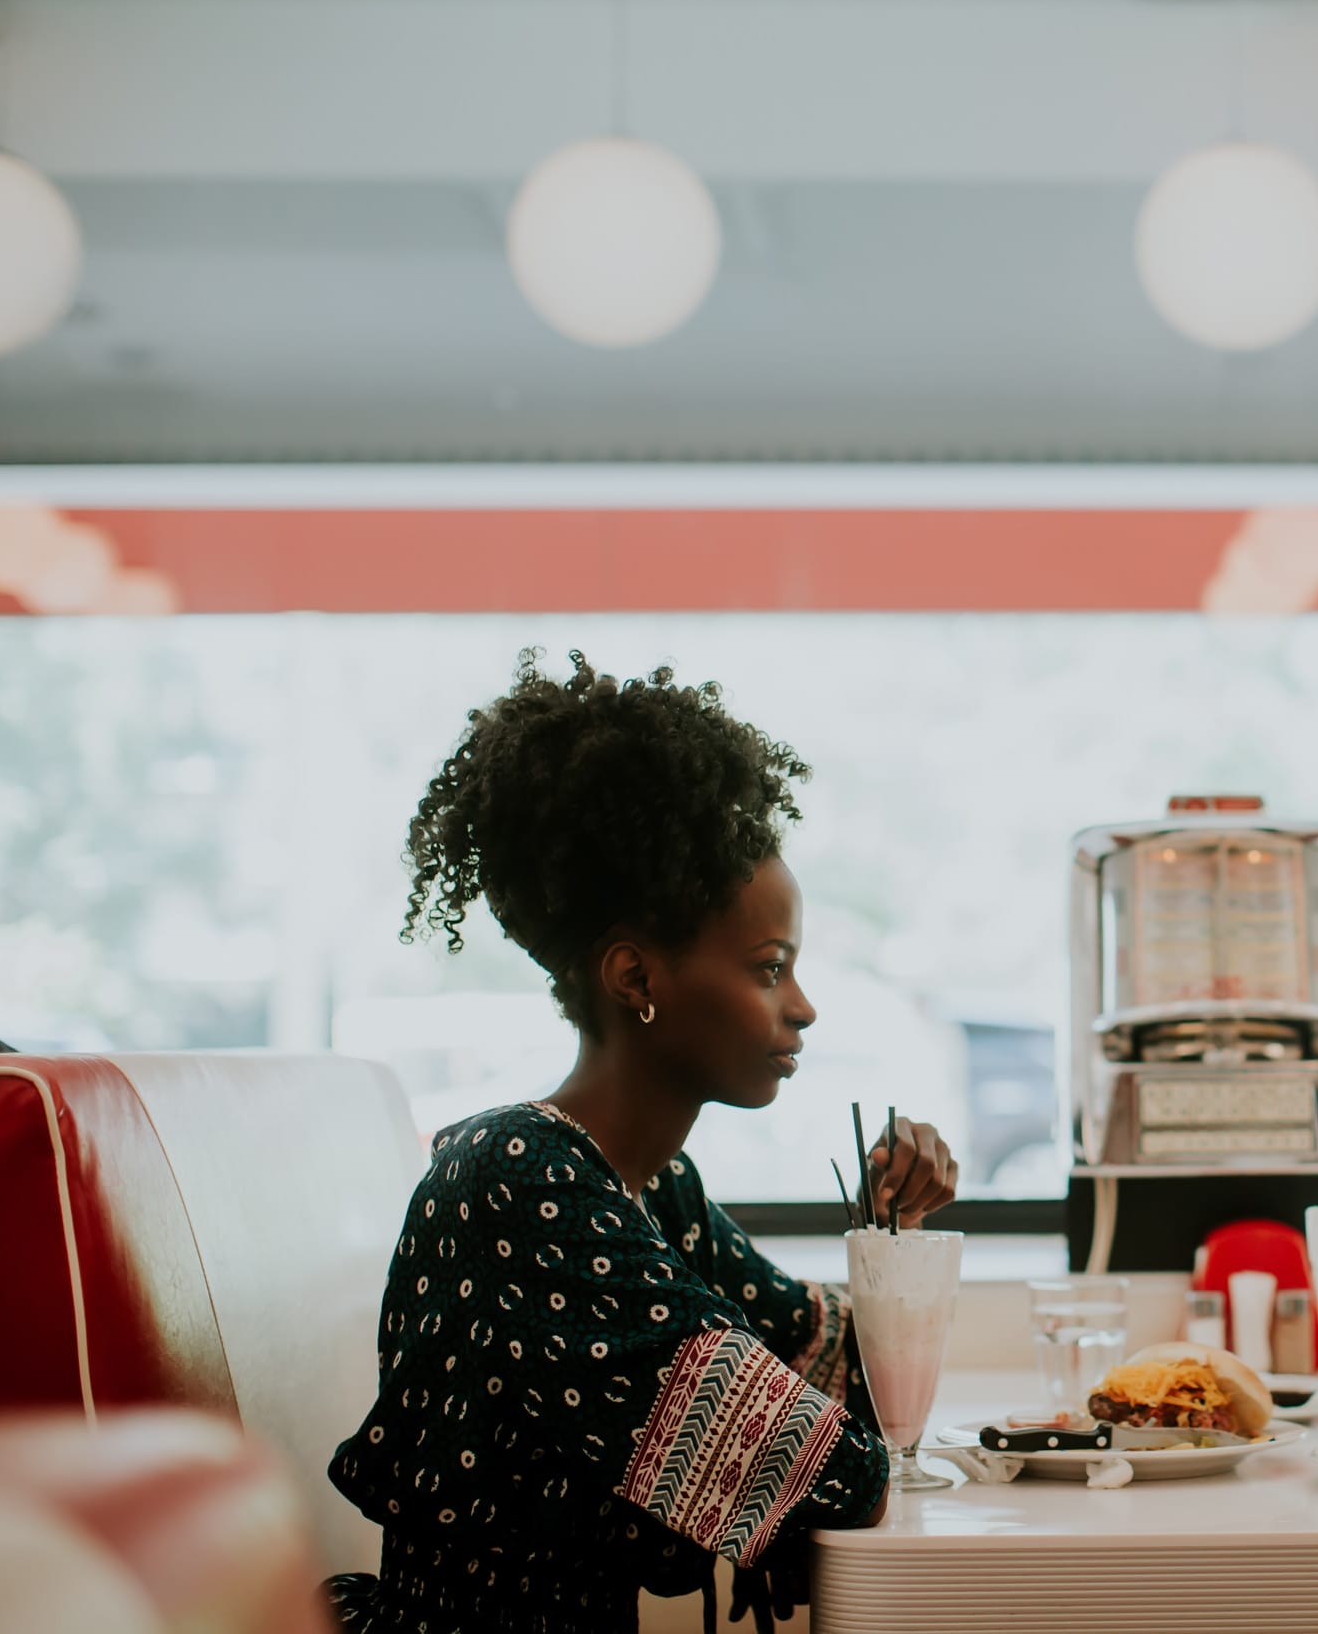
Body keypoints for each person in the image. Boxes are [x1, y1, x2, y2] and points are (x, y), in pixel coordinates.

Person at [327, 650, 960, 1634]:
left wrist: (897, 1231)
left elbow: (831, 1366)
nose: (802, 1007)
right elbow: (833, 1474)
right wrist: (832, 1415)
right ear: (635, 978)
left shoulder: (646, 1186)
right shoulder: (516, 1180)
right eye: (769, 968)